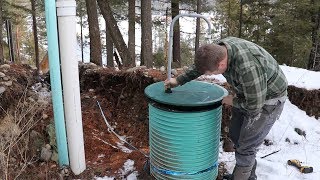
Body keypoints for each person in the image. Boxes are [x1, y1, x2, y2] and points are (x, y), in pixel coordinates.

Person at [164, 37, 288, 180]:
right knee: (236, 135)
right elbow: (201, 67)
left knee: (247, 146)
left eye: (211, 73)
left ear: (222, 64)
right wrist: (178, 80)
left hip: (268, 99)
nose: (209, 75)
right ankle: (248, 176)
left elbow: (254, 106)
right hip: (247, 92)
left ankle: (240, 177)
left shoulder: (248, 67)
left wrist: (231, 101)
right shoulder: (217, 50)